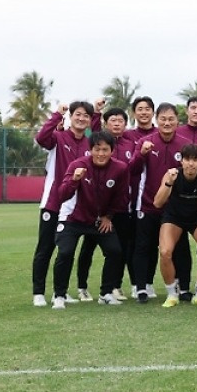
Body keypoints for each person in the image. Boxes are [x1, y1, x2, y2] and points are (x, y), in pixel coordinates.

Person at [31, 99, 100, 306]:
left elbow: (97, 137)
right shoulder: (58, 138)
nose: (81, 119)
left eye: (86, 116)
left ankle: (59, 292)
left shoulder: (89, 141)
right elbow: (41, 138)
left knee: (66, 251)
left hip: (76, 207)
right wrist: (56, 115)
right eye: (77, 114)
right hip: (54, 203)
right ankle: (38, 293)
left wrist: (96, 113)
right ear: (70, 116)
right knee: (46, 248)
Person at [50, 131, 130, 308]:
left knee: (115, 251)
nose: (101, 153)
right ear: (90, 149)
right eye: (97, 149)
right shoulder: (77, 165)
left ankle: (105, 293)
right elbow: (62, 194)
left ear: (112, 150)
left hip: (99, 220)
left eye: (105, 149)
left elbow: (121, 197)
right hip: (73, 218)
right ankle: (59, 295)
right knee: (65, 252)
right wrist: (74, 179)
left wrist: (108, 216)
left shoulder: (121, 168)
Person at [130, 103, 192, 303]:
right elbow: (133, 170)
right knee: (143, 246)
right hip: (148, 204)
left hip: (174, 209)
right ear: (157, 120)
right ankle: (141, 288)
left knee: (180, 247)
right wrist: (142, 154)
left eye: (171, 119)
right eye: (163, 119)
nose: (167, 123)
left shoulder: (184, 145)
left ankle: (183, 288)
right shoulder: (145, 142)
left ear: (177, 122)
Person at [153, 143, 197, 307]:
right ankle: (172, 294)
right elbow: (157, 203)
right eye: (187, 159)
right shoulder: (172, 174)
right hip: (174, 217)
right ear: (181, 161)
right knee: (166, 252)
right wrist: (169, 183)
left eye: (195, 160)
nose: (191, 163)